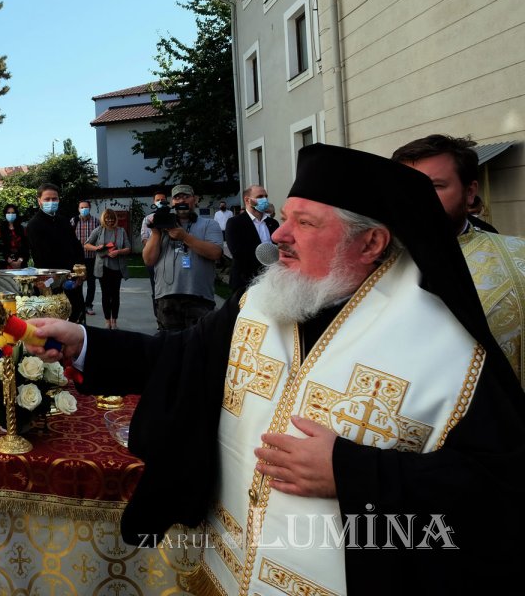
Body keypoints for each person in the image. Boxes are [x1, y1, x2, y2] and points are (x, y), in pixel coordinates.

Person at [28, 144, 525, 594]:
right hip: (228, 572)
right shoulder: (262, 301)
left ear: (371, 243)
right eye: (284, 217)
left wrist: (350, 473)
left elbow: (500, 488)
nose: (280, 235)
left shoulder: (447, 349)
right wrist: (87, 342)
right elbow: (176, 357)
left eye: (305, 223)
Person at [392, 134, 525, 386]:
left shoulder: (518, 258)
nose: (416, 198)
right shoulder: (369, 259)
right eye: (405, 186)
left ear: (470, 192)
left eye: (435, 186)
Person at [142, 184, 223, 330]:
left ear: (195, 200)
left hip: (199, 297)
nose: (182, 201)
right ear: (172, 202)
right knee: (170, 347)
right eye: (177, 198)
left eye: (186, 197)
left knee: (199, 347)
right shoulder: (163, 225)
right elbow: (148, 260)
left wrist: (185, 237)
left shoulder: (210, 224)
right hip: (167, 297)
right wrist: (155, 232)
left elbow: (215, 253)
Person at [25, 182, 85, 322]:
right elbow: (41, 257)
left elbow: (76, 246)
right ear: (39, 201)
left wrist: (80, 271)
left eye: (54, 199)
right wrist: (61, 277)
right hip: (51, 280)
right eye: (47, 199)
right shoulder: (34, 225)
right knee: (55, 320)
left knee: (76, 317)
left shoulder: (64, 221)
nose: (51, 202)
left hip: (72, 278)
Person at [223, 184, 280, 294]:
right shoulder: (235, 223)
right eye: (259, 196)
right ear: (247, 200)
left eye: (265, 196)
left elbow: (279, 248)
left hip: (271, 280)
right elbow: (238, 252)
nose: (264, 199)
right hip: (245, 282)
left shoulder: (272, 223)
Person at [84, 209, 131, 329]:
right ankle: (107, 321)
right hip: (103, 268)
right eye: (107, 219)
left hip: (117, 268)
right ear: (103, 219)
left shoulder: (121, 231)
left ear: (115, 219)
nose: (110, 221)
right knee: (105, 295)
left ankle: (114, 321)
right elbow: (86, 244)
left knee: (115, 295)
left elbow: (128, 248)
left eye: (112, 219)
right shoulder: (99, 230)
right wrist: (97, 248)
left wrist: (118, 252)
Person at [139, 191, 168, 315]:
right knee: (155, 289)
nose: (160, 202)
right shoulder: (148, 218)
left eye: (163, 199)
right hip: (153, 259)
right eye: (158, 200)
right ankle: (158, 316)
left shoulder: (172, 216)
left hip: (169, 258)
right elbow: (144, 238)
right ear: (154, 202)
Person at [72, 199, 99, 314]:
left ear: (89, 208)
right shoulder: (74, 221)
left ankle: (88, 305)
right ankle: (78, 305)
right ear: (78, 209)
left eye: (86, 207)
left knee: (91, 283)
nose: (84, 209)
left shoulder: (96, 221)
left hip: (92, 257)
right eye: (81, 207)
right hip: (78, 259)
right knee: (77, 282)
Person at [0, 203, 29, 269]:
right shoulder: (0, 229)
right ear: (5, 214)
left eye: (13, 213)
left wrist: (19, 261)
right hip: (5, 265)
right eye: (8, 213)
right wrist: (10, 262)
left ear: (16, 214)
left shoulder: (22, 229)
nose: (11, 215)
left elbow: (26, 247)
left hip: (21, 264)